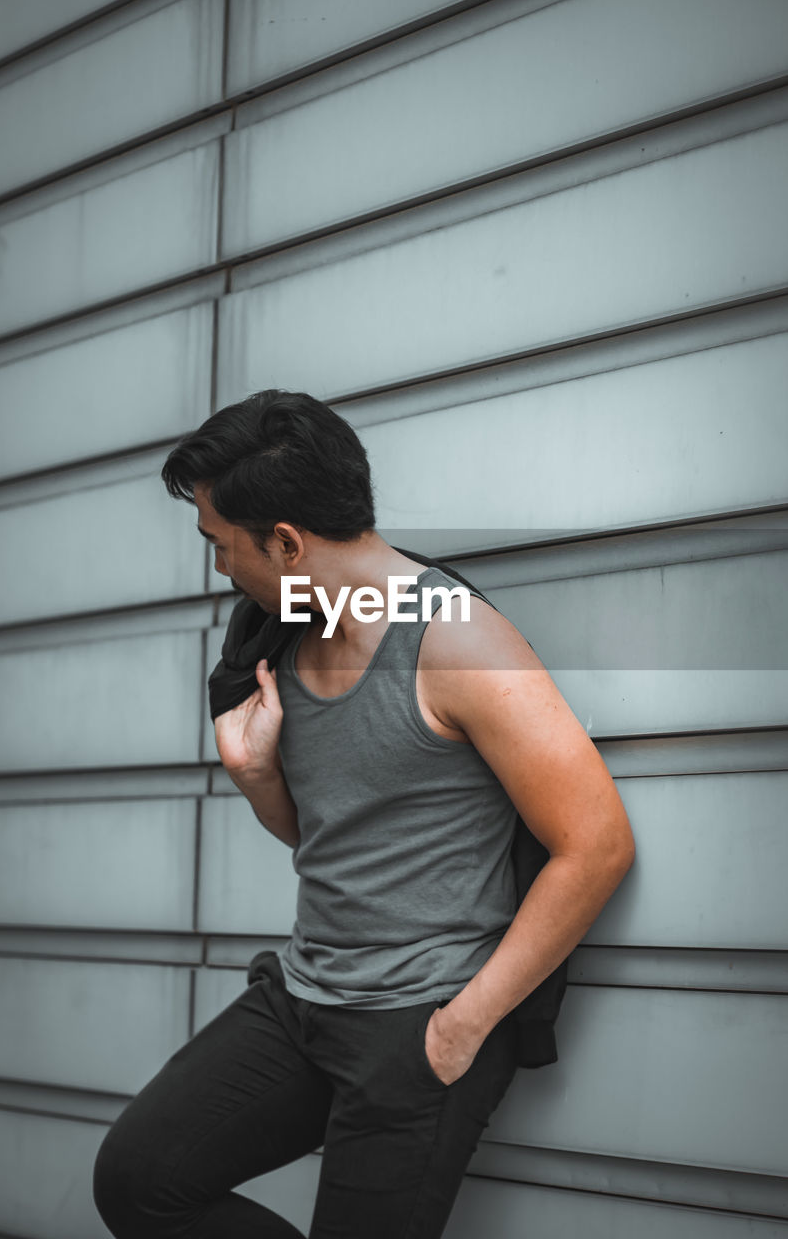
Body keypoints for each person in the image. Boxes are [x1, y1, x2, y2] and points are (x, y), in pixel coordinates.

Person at [92, 389, 635, 1238]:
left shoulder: (456, 642)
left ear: (286, 542)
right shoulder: (286, 637)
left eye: (220, 546)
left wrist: (465, 1025)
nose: (218, 570)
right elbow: (330, 840)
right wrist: (255, 775)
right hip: (304, 997)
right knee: (140, 1181)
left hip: (419, 1021)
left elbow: (595, 846)